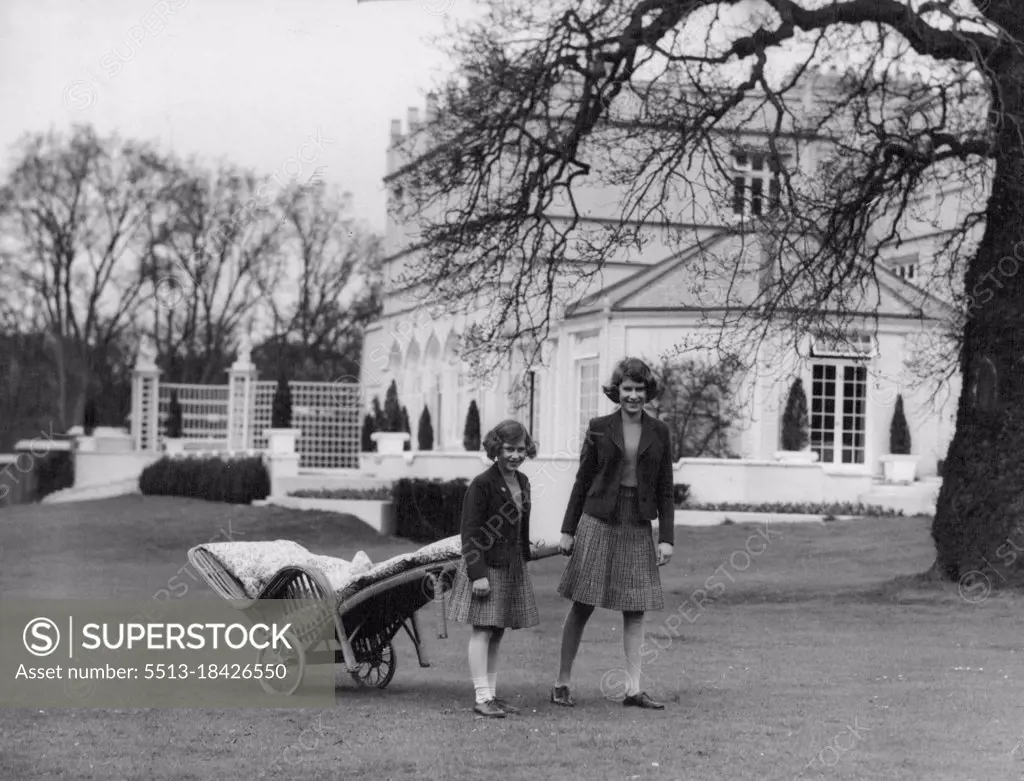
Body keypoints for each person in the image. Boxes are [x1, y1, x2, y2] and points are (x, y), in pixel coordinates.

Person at [551, 356, 675, 710]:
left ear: (647, 391)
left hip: (637, 521)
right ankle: (561, 683)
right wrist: (567, 530)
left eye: (639, 389)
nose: (633, 396)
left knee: (635, 608)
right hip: (598, 518)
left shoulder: (660, 432)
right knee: (583, 603)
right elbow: (582, 481)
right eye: (627, 389)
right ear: (616, 391)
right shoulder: (599, 427)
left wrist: (666, 537)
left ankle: (633, 690)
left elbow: (666, 487)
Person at [446, 419, 540, 718]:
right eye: (509, 449)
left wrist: (525, 555)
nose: (515, 455)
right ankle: (481, 697)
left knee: (498, 631)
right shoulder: (482, 484)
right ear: (496, 449)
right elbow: (470, 533)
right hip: (486, 567)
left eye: (521, 449)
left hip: (511, 565)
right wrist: (478, 575)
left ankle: (492, 696)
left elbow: (521, 526)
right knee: (483, 630)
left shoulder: (523, 481)